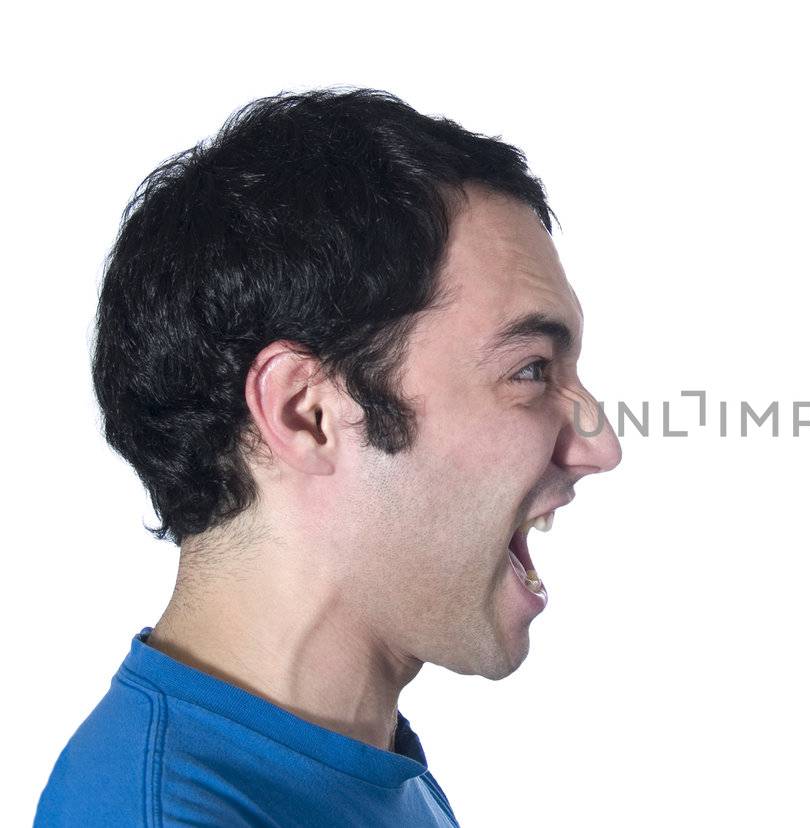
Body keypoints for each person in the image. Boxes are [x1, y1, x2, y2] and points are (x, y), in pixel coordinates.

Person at [36, 88, 621, 826]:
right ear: (305, 412)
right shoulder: (158, 814)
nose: (600, 446)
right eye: (531, 370)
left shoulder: (375, 778)